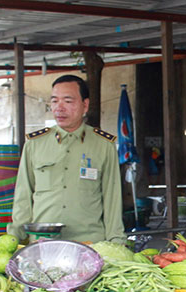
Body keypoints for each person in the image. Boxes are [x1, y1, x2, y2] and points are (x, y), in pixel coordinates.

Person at [7, 74, 126, 244]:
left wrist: (116, 243)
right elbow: (23, 197)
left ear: (85, 105)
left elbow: (112, 200)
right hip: (42, 243)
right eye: (55, 101)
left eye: (68, 101)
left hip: (89, 245)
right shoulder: (35, 144)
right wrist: (13, 240)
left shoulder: (103, 145)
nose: (59, 108)